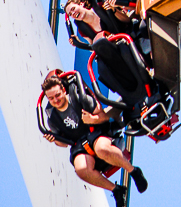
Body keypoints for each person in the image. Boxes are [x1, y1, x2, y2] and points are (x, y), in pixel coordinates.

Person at [41, 71, 147, 206]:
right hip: (80, 145)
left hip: (97, 133)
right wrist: (54, 140)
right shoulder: (53, 118)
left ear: (63, 90)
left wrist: (92, 119)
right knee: (81, 169)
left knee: (102, 149)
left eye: (58, 95)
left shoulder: (79, 98)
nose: (56, 100)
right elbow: (62, 143)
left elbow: (103, 116)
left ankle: (134, 171)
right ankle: (116, 190)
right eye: (51, 98)